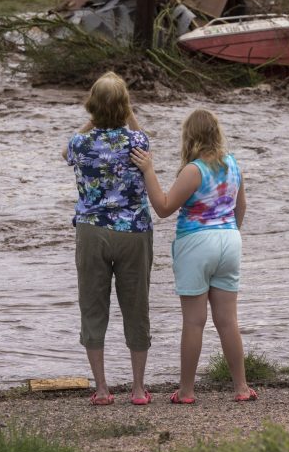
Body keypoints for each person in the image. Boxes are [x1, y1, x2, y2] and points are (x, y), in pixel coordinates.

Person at [130, 108, 256, 403]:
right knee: (228, 321)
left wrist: (148, 170)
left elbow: (162, 208)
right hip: (230, 240)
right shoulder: (233, 164)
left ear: (189, 137)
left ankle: (186, 391)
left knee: (194, 321)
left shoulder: (194, 170)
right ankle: (241, 388)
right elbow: (241, 206)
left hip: (197, 242)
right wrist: (229, 231)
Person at [63, 71, 153, 406]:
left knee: (93, 307)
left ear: (92, 107)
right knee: (136, 307)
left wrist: (92, 121)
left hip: (92, 230)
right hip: (133, 231)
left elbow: (65, 152)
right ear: (125, 106)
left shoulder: (80, 144)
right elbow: (142, 135)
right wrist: (126, 112)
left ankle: (102, 389)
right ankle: (139, 390)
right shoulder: (137, 142)